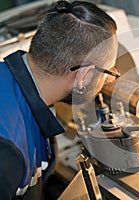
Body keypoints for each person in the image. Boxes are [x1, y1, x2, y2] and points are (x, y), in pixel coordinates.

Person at [0, 0, 119, 199]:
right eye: (109, 71)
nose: (108, 79)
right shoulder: (7, 151)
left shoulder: (16, 89)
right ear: (83, 76)